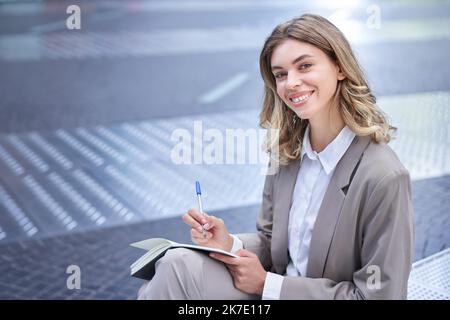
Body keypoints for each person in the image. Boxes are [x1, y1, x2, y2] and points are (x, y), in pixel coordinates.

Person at [137, 14, 414, 300]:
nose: (291, 83)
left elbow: (381, 296)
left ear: (339, 67)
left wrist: (268, 286)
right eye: (280, 74)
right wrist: (228, 243)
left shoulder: (383, 177)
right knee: (174, 264)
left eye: (304, 66)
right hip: (273, 292)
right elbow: (274, 246)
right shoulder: (287, 156)